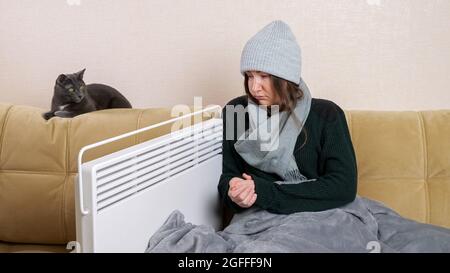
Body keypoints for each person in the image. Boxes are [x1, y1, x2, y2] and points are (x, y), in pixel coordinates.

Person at [218, 20, 357, 215]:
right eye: (249, 76)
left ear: (286, 79)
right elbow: (228, 175)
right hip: (257, 218)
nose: (254, 87)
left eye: (264, 76)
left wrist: (264, 191)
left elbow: (343, 187)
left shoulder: (327, 114)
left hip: (320, 215)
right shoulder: (236, 111)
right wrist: (233, 191)